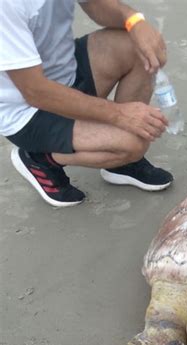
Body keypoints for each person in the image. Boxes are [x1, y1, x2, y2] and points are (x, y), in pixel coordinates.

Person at [0, 0, 174, 208]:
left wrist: (134, 20)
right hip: (27, 112)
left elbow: (97, 5)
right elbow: (35, 92)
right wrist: (120, 115)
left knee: (138, 48)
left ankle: (121, 164)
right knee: (133, 143)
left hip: (67, 74)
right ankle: (38, 157)